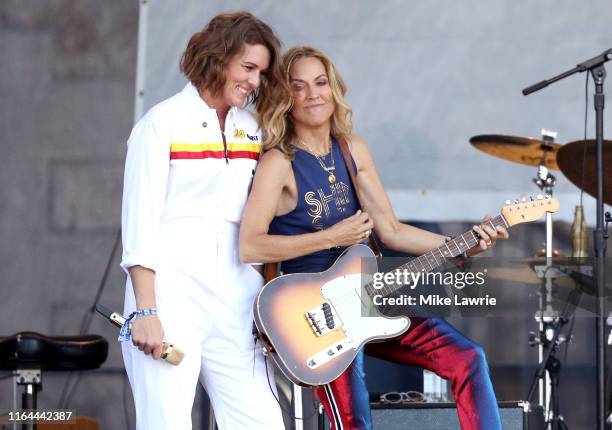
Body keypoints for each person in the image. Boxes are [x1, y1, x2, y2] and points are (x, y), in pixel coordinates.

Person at [239, 46, 509, 430]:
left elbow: (392, 231)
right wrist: (331, 236)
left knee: (468, 358)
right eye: (299, 87)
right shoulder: (278, 162)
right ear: (285, 97)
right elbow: (250, 244)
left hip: (370, 297)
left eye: (320, 83)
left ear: (333, 89)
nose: (313, 94)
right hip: (315, 319)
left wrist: (468, 243)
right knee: (355, 421)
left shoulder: (352, 149)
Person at [119, 12, 286, 430]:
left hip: (237, 301)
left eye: (260, 73)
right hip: (171, 298)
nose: (252, 81)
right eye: (247, 67)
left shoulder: (253, 129)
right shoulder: (161, 122)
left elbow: (263, 217)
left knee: (262, 422)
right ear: (218, 56)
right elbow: (138, 221)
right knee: (166, 422)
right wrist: (146, 310)